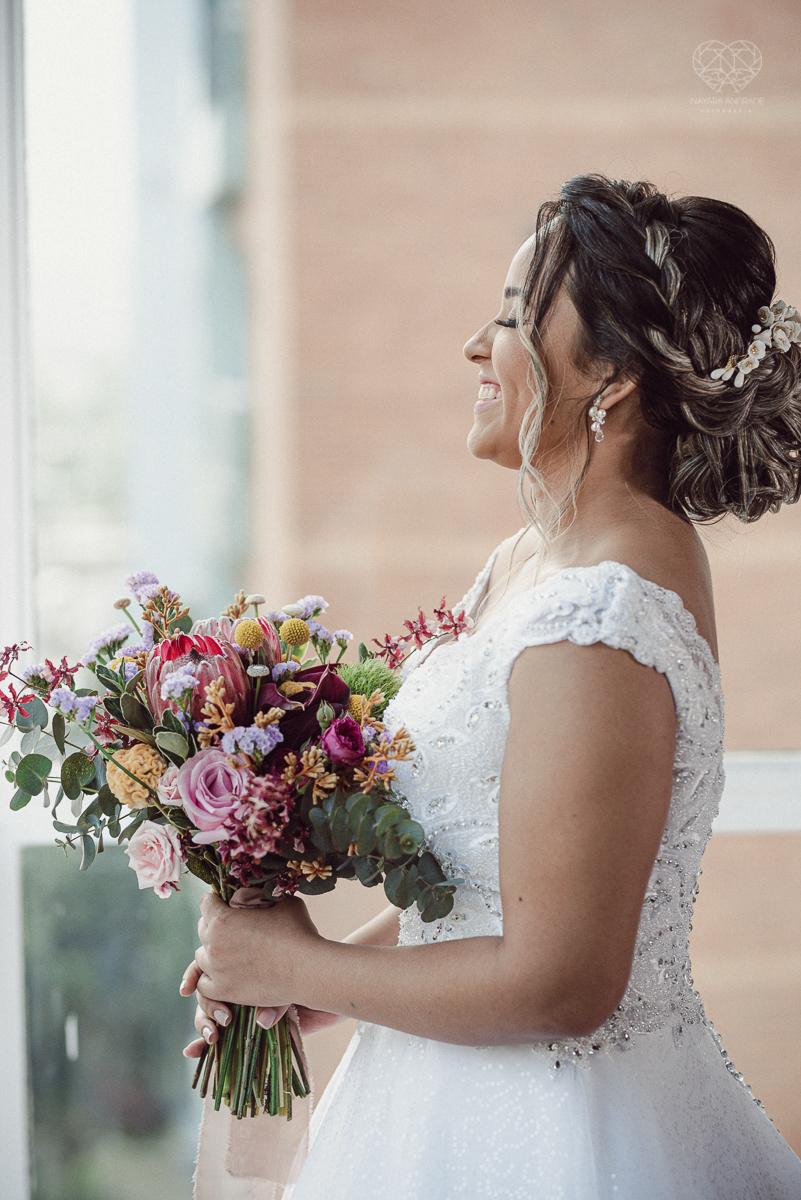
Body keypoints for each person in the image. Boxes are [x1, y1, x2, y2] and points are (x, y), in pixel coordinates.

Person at [180, 174, 801, 1198]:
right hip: (435, 1096)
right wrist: (308, 981)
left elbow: (563, 984)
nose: (479, 345)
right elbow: (486, 892)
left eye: (513, 317)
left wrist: (295, 968)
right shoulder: (539, 556)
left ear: (608, 373)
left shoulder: (604, 606)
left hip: (552, 1131)